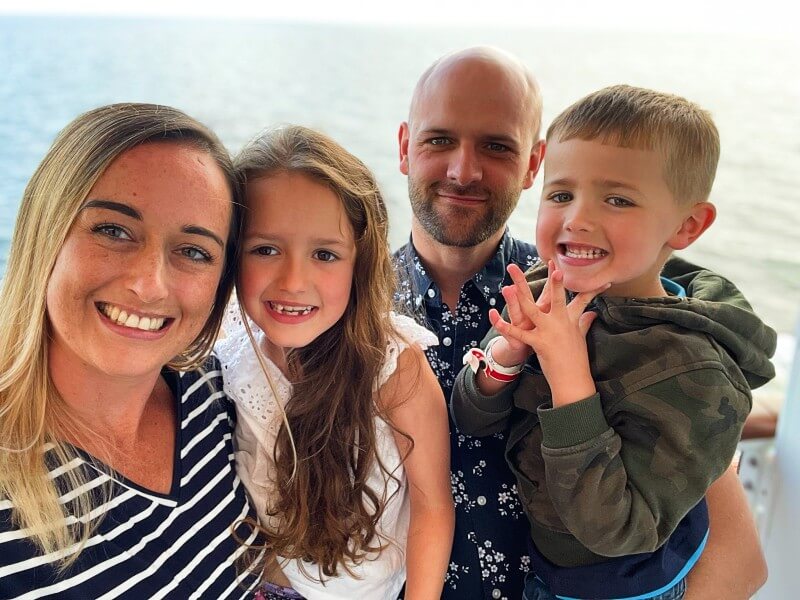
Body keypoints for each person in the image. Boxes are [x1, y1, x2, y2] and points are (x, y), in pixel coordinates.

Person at [393, 47, 769, 600]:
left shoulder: (626, 316)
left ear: (531, 163)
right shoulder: (347, 306)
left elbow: (738, 562)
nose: (463, 170)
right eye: (438, 140)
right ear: (405, 148)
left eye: (496, 145)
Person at [0, 104, 262, 598]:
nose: (149, 285)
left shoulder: (219, 395)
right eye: (113, 230)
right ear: (45, 233)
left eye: (193, 251)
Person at [215, 125, 454, 600]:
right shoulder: (227, 355)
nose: (293, 281)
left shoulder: (392, 365)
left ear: (358, 262)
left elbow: (432, 504)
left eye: (324, 254)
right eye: (265, 249)